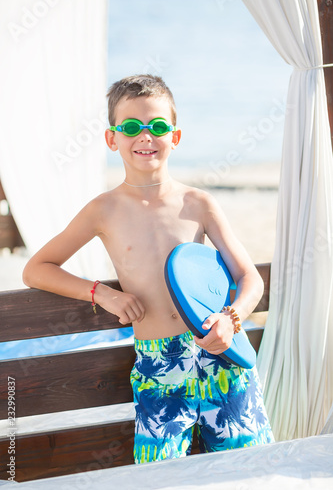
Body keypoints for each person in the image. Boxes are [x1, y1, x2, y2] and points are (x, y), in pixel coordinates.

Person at [23, 74, 274, 463]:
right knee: (159, 475)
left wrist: (232, 318)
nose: (145, 136)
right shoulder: (102, 210)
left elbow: (249, 278)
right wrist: (102, 293)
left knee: (249, 466)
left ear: (174, 137)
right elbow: (37, 268)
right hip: (159, 363)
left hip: (220, 353)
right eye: (130, 127)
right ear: (112, 139)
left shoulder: (199, 203)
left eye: (157, 126)